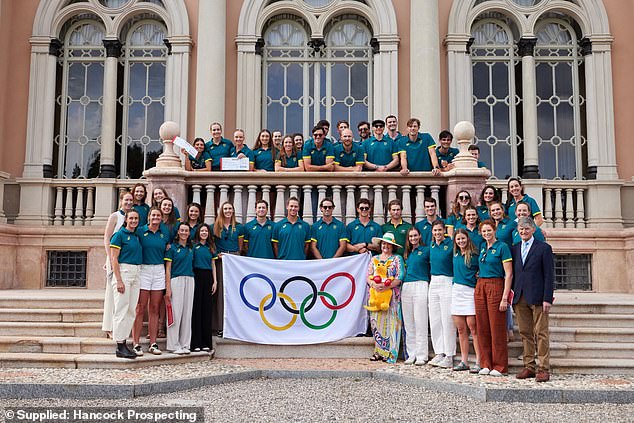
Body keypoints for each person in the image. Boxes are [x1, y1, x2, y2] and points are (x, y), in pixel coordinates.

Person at [512, 217, 555, 383]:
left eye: (526, 229)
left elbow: (549, 275)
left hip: (538, 296)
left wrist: (547, 298)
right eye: (521, 229)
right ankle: (529, 366)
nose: (523, 232)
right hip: (520, 296)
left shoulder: (543, 248)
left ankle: (543, 368)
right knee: (525, 333)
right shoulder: (515, 248)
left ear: (533, 230)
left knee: (541, 333)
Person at [476, 219, 513, 376]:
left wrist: (505, 297)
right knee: (482, 326)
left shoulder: (502, 247)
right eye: (484, 231)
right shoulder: (483, 247)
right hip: (481, 285)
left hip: (496, 285)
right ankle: (486, 363)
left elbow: (509, 273)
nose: (486, 234)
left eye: (489, 231)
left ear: (494, 230)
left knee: (496, 326)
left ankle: (499, 365)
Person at [132, 207, 169, 356]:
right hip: (144, 269)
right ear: (149, 217)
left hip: (159, 270)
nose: (155, 217)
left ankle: (153, 343)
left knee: (154, 307)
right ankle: (136, 343)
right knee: (140, 307)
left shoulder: (164, 233)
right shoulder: (140, 231)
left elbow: (168, 249)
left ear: (161, 218)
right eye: (153, 215)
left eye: (158, 215)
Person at [109, 209, 142, 359]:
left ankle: (125, 342)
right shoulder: (119, 235)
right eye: (131, 218)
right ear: (126, 220)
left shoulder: (136, 236)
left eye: (136, 218)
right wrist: (119, 280)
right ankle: (119, 345)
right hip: (124, 272)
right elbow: (114, 259)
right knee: (121, 309)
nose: (134, 221)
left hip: (136, 272)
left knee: (131, 309)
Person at [367, 233, 404, 363]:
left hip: (392, 297)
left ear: (392, 246)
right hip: (376, 296)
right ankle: (378, 351)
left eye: (388, 244)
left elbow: (400, 277)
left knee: (391, 323)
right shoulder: (374, 259)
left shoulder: (397, 259)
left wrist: (387, 287)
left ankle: (390, 353)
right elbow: (369, 275)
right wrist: (373, 284)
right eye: (383, 244)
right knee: (376, 323)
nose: (385, 246)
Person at [102, 191, 134, 339]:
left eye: (130, 200)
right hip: (114, 258)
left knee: (122, 297)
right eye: (126, 200)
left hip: (126, 260)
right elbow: (107, 238)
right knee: (112, 294)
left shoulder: (132, 217)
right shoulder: (115, 216)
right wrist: (109, 258)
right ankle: (109, 326)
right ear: (121, 200)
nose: (128, 202)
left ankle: (120, 327)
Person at [212, 202, 244, 336]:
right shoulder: (215, 226)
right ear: (221, 211)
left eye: (230, 208)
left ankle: (236, 325)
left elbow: (241, 246)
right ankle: (220, 326)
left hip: (234, 259)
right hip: (221, 260)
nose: (228, 211)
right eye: (225, 209)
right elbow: (211, 244)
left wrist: (236, 257)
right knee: (221, 294)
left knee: (236, 292)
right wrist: (216, 255)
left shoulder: (239, 227)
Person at [451, 228, 481, 372]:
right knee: (461, 329)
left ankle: (479, 361)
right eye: (458, 239)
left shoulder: (474, 255)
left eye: (463, 238)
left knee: (473, 328)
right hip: (457, 291)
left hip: (470, 292)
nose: (461, 241)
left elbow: (481, 269)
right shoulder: (455, 254)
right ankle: (464, 361)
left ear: (467, 239)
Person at [428, 220, 456, 369]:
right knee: (435, 319)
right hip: (434, 281)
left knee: (447, 319)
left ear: (444, 230)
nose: (437, 233)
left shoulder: (450, 244)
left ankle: (449, 354)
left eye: (440, 230)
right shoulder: (431, 246)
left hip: (447, 280)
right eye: (435, 231)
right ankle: (439, 351)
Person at [401, 227, 430, 365]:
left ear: (419, 236)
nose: (413, 238)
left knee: (420, 320)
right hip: (407, 286)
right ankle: (411, 353)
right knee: (409, 322)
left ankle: (421, 355)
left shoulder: (426, 250)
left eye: (415, 235)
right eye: (410, 236)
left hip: (421, 284)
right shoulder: (407, 253)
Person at [165, 223, 195, 354]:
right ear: (178, 232)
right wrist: (168, 288)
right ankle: (173, 345)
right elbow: (168, 269)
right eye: (182, 230)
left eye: (186, 230)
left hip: (190, 278)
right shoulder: (172, 248)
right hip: (176, 280)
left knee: (187, 313)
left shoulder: (191, 248)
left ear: (189, 233)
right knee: (176, 312)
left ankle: (185, 344)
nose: (184, 232)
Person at [191, 223, 218, 352]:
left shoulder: (210, 248)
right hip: (196, 275)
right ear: (198, 232)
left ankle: (206, 342)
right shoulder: (193, 246)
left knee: (206, 310)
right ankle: (195, 342)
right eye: (202, 231)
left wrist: (215, 281)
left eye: (206, 231)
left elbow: (213, 264)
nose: (204, 233)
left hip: (208, 277)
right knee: (196, 309)